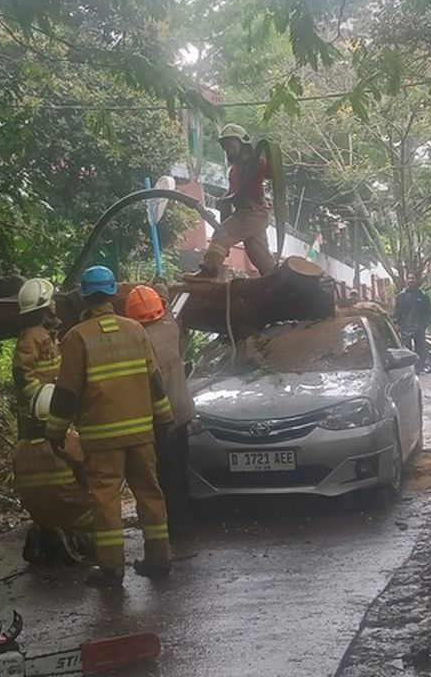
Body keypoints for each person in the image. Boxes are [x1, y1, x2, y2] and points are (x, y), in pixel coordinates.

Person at [46, 266, 174, 586]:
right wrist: (165, 418)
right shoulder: (135, 330)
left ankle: (111, 568)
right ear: (114, 292)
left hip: (101, 437)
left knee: (105, 498)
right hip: (141, 433)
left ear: (84, 296)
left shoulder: (77, 338)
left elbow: (66, 392)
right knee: (149, 492)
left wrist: (55, 432)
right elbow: (154, 381)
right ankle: (159, 558)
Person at [124, 284, 195, 537]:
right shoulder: (170, 328)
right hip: (183, 412)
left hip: (161, 417)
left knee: (164, 473)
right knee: (181, 468)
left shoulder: (140, 341)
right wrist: (162, 289)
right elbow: (169, 313)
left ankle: (172, 525)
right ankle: (185, 520)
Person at [12, 384, 95, 566]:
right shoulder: (69, 440)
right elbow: (88, 478)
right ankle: (73, 537)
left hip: (38, 514)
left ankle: (45, 534)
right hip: (73, 511)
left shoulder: (19, 449)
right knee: (105, 516)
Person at [184, 124, 278, 280]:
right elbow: (234, 192)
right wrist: (222, 200)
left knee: (221, 235)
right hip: (247, 213)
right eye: (226, 147)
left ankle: (209, 271)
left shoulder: (255, 163)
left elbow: (273, 174)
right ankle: (276, 279)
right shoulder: (234, 171)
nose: (229, 150)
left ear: (243, 144)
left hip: (252, 212)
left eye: (232, 146)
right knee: (258, 253)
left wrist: (270, 155)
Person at [13, 278, 62, 403]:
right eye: (51, 300)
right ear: (44, 307)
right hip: (39, 406)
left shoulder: (46, 333)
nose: (54, 302)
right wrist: (40, 397)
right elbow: (22, 374)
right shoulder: (31, 337)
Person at [394, 272, 431, 366]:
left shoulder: (422, 295)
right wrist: (398, 324)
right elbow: (397, 312)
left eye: (413, 278)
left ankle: (420, 367)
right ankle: (409, 368)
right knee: (407, 350)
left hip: (419, 326)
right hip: (406, 327)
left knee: (421, 348)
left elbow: (428, 310)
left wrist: (425, 323)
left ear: (416, 280)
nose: (411, 280)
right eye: (409, 278)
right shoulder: (401, 296)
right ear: (406, 280)